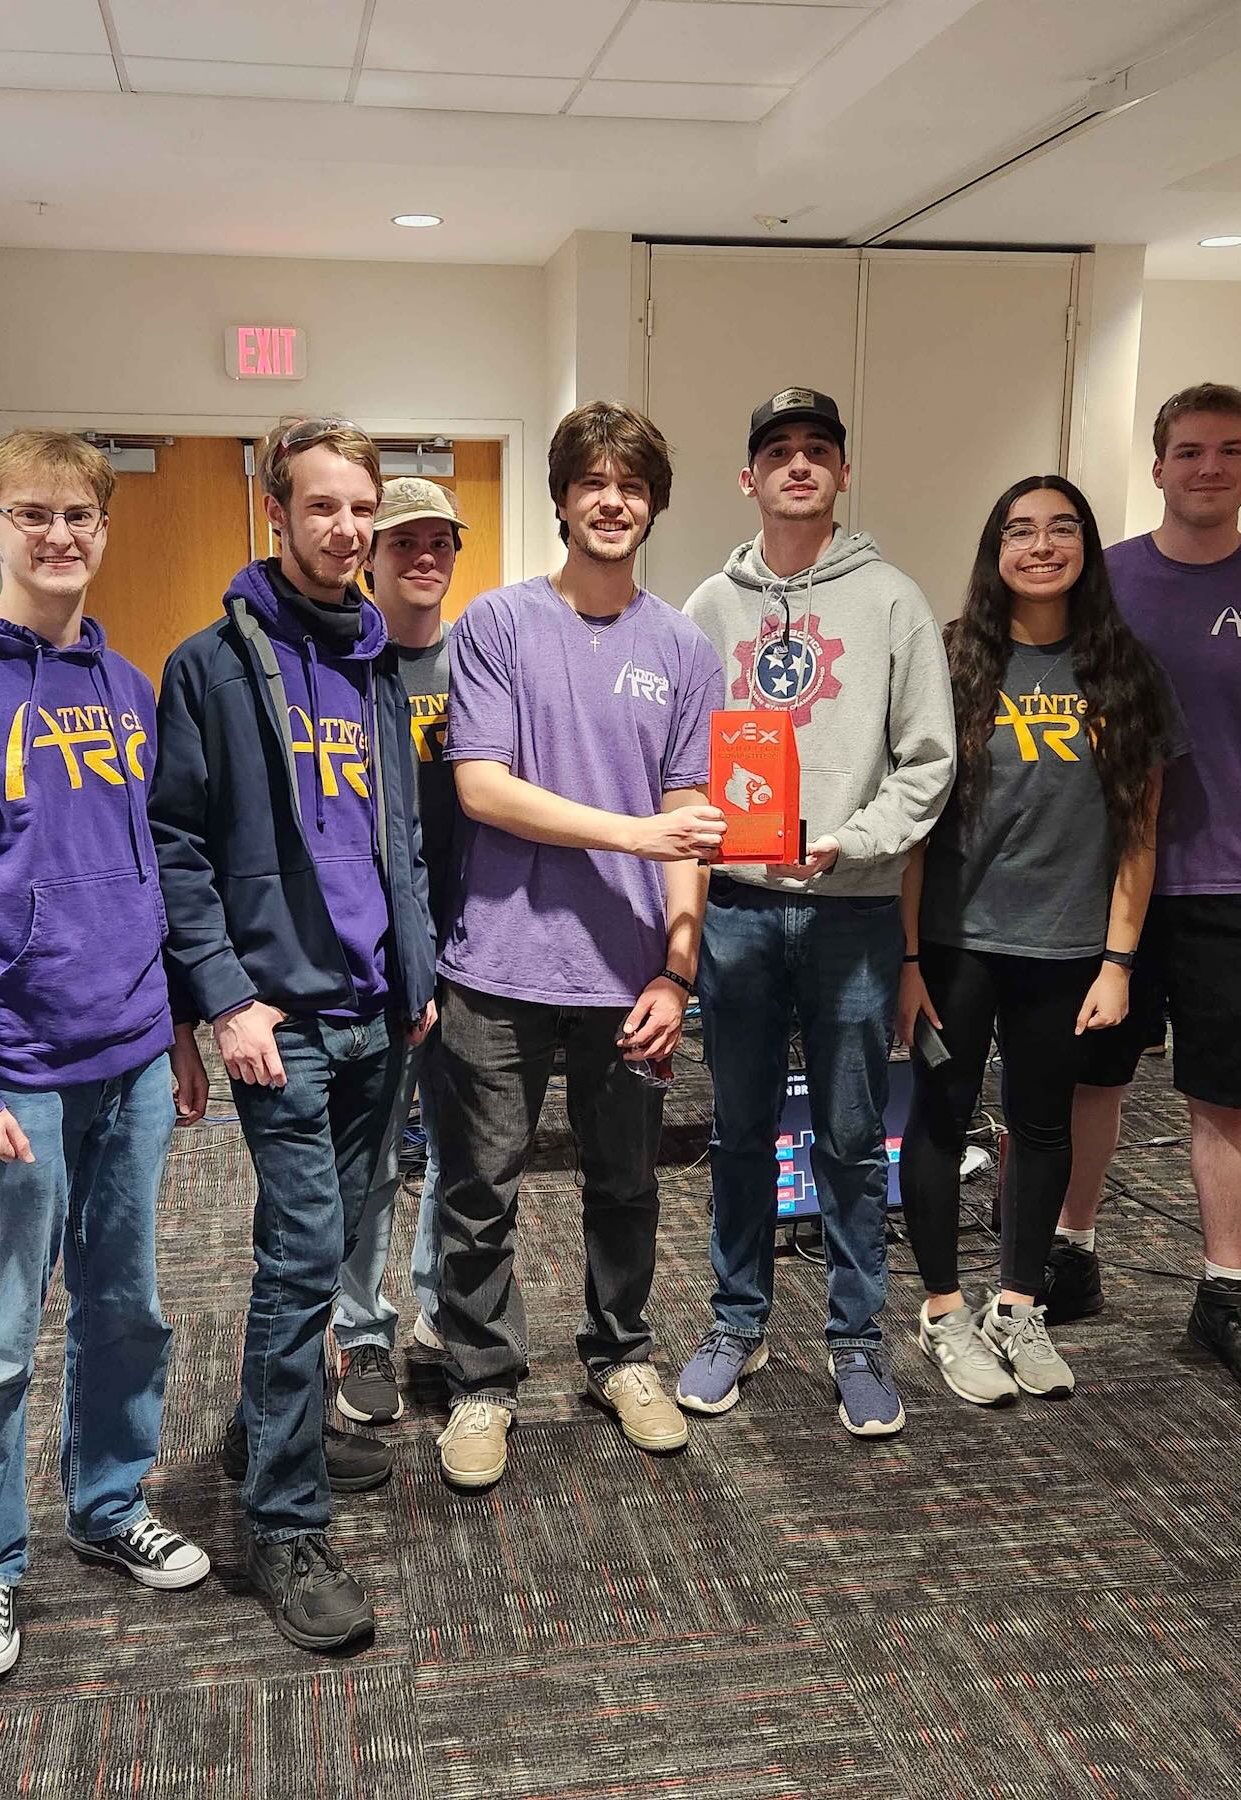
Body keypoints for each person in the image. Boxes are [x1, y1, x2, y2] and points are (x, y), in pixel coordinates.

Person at [0, 429, 209, 1686]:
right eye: (34, 514)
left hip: (130, 1056)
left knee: (128, 1310)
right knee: (1, 1333)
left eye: (80, 516)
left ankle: (108, 1505)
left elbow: (152, 871)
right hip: (9, 1067)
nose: (59, 536)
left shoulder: (126, 686)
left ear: (104, 529)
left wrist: (176, 1025)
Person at [150, 415, 436, 1652]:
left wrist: (417, 966)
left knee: (344, 1230)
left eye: (361, 507)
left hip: (379, 1008)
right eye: (323, 506)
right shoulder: (211, 666)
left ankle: (276, 1427)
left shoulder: (377, 659)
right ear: (277, 515)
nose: (347, 528)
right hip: (284, 1019)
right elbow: (175, 846)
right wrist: (225, 996)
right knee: (304, 1251)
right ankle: (281, 1520)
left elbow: (396, 833)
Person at [429, 401, 726, 1493]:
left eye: (632, 485)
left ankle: (621, 1356)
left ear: (653, 504)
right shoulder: (499, 625)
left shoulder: (684, 648)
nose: (612, 501)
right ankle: (482, 1382)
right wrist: (635, 832)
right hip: (497, 965)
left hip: (629, 972)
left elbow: (691, 818)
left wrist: (678, 969)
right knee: (479, 1190)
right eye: (593, 482)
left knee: (627, 1183)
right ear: (561, 498)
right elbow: (484, 787)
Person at [1047, 383, 1241, 1409]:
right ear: (1159, 465)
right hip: (1102, 882)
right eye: (1188, 451)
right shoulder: (1105, 578)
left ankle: (1224, 1295)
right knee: (1091, 1079)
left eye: (1229, 449)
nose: (1209, 467)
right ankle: (1070, 1254)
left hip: (1237, 880)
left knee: (1225, 1094)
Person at [675, 386, 954, 1437]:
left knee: (848, 1137)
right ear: (748, 478)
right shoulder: (709, 607)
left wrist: (856, 840)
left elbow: (929, 762)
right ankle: (735, 1322)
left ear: (842, 473)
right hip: (741, 910)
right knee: (739, 1130)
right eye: (779, 451)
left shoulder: (893, 601)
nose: (798, 465)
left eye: (817, 450)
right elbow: (679, 756)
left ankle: (856, 1337)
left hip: (853, 911)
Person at [897, 475, 1183, 1406]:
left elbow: (1141, 832)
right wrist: (907, 959)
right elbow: (912, 827)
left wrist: (1119, 960)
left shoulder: (1125, 672)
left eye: (1062, 528)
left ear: (1087, 548)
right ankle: (944, 1310)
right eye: (1020, 530)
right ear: (997, 551)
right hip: (956, 941)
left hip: (1065, 948)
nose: (1042, 545)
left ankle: (1017, 1305)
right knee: (939, 1117)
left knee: (1043, 1124)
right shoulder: (949, 661)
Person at [333, 476, 465, 1426]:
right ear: (372, 557)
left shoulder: (483, 663)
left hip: (473, 944)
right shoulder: (345, 668)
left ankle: (442, 1307)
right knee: (372, 1154)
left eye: (440, 543)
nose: (424, 558)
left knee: (463, 1150)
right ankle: (362, 1329)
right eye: (404, 542)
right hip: (374, 951)